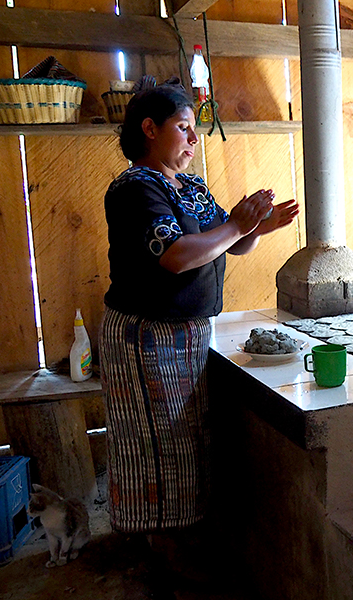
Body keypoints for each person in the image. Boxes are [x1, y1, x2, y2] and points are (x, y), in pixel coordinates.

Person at [99, 82, 299, 542]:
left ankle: (183, 539)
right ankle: (162, 548)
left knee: (186, 442)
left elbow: (230, 242)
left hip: (186, 334)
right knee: (157, 445)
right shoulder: (135, 188)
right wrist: (237, 223)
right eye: (184, 128)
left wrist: (256, 228)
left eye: (195, 131)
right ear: (149, 129)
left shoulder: (189, 185)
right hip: (146, 337)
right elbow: (176, 255)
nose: (194, 139)